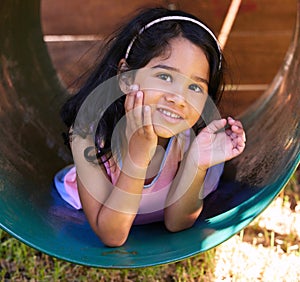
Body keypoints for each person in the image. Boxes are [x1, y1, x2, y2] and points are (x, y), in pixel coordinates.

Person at [54, 7, 246, 247]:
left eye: (195, 88)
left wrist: (195, 163)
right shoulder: (89, 136)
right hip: (107, 214)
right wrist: (137, 158)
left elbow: (177, 223)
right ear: (125, 76)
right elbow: (112, 236)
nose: (178, 98)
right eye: (165, 77)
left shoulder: (189, 139)